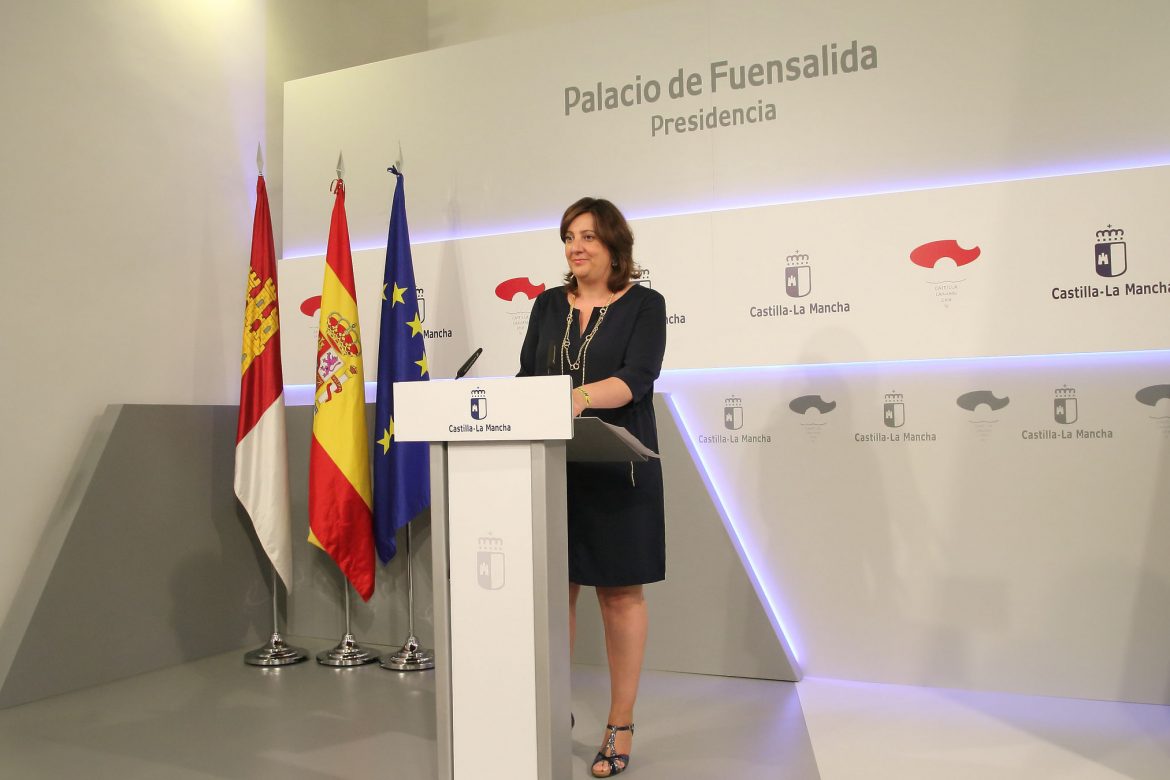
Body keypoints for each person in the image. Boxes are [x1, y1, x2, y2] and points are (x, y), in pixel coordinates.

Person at [518, 197, 667, 777]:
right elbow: (528, 376)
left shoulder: (645, 305)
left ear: (613, 245)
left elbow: (637, 379)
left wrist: (574, 396)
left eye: (587, 237)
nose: (575, 247)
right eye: (568, 237)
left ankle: (620, 724)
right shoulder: (546, 305)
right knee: (556, 592)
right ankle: (553, 712)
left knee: (619, 595)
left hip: (619, 468)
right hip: (553, 468)